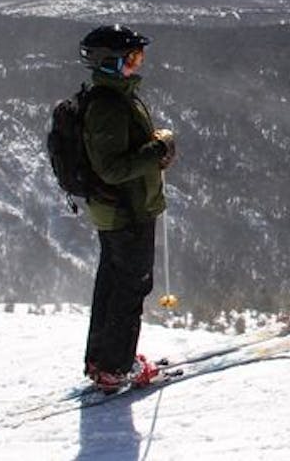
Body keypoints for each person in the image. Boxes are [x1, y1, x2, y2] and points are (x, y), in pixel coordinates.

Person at [76, 24, 178, 392]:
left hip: (117, 209)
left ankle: (102, 360)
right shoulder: (108, 105)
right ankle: (116, 367)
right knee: (131, 286)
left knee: (112, 283)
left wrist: (153, 147)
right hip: (126, 210)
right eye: (132, 58)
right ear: (110, 62)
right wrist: (158, 150)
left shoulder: (111, 98)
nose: (138, 64)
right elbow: (112, 168)